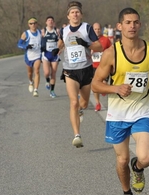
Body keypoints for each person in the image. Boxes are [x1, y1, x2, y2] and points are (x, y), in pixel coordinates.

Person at [91, 7, 149, 195]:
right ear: (119, 26)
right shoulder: (111, 54)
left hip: (142, 111)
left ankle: (139, 168)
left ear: (140, 25)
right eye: (128, 22)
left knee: (146, 157)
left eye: (135, 22)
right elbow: (96, 84)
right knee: (122, 160)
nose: (132, 26)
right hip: (118, 115)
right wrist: (115, 88)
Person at [57, 1, 102, 148]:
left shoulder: (86, 28)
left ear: (81, 15)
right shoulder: (63, 31)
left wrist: (86, 44)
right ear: (68, 16)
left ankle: (81, 110)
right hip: (70, 70)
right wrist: (55, 50)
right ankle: (77, 135)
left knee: (83, 103)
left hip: (86, 69)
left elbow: (99, 46)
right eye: (72, 12)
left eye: (77, 12)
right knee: (74, 102)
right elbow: (60, 44)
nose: (75, 14)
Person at [17, 17, 42, 97]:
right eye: (31, 23)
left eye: (34, 23)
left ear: (37, 24)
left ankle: (36, 90)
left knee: (37, 71)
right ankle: (31, 82)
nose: (33, 25)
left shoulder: (40, 32)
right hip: (29, 56)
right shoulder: (26, 33)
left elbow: (45, 42)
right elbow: (19, 44)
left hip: (37, 55)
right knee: (30, 73)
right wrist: (26, 46)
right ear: (29, 25)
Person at [92, 22, 112, 111]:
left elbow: (111, 50)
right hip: (93, 65)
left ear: (101, 29)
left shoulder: (106, 39)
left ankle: (103, 89)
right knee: (95, 85)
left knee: (103, 83)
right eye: (95, 29)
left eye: (98, 29)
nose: (97, 31)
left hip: (104, 65)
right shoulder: (89, 40)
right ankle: (97, 103)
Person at [41, 16, 61, 98]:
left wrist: (59, 50)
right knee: (46, 73)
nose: (50, 22)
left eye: (52, 20)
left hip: (54, 55)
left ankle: (52, 91)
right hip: (46, 54)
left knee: (53, 73)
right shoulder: (43, 31)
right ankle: (47, 80)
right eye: (48, 20)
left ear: (54, 22)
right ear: (46, 22)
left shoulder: (57, 31)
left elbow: (61, 42)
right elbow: (39, 41)